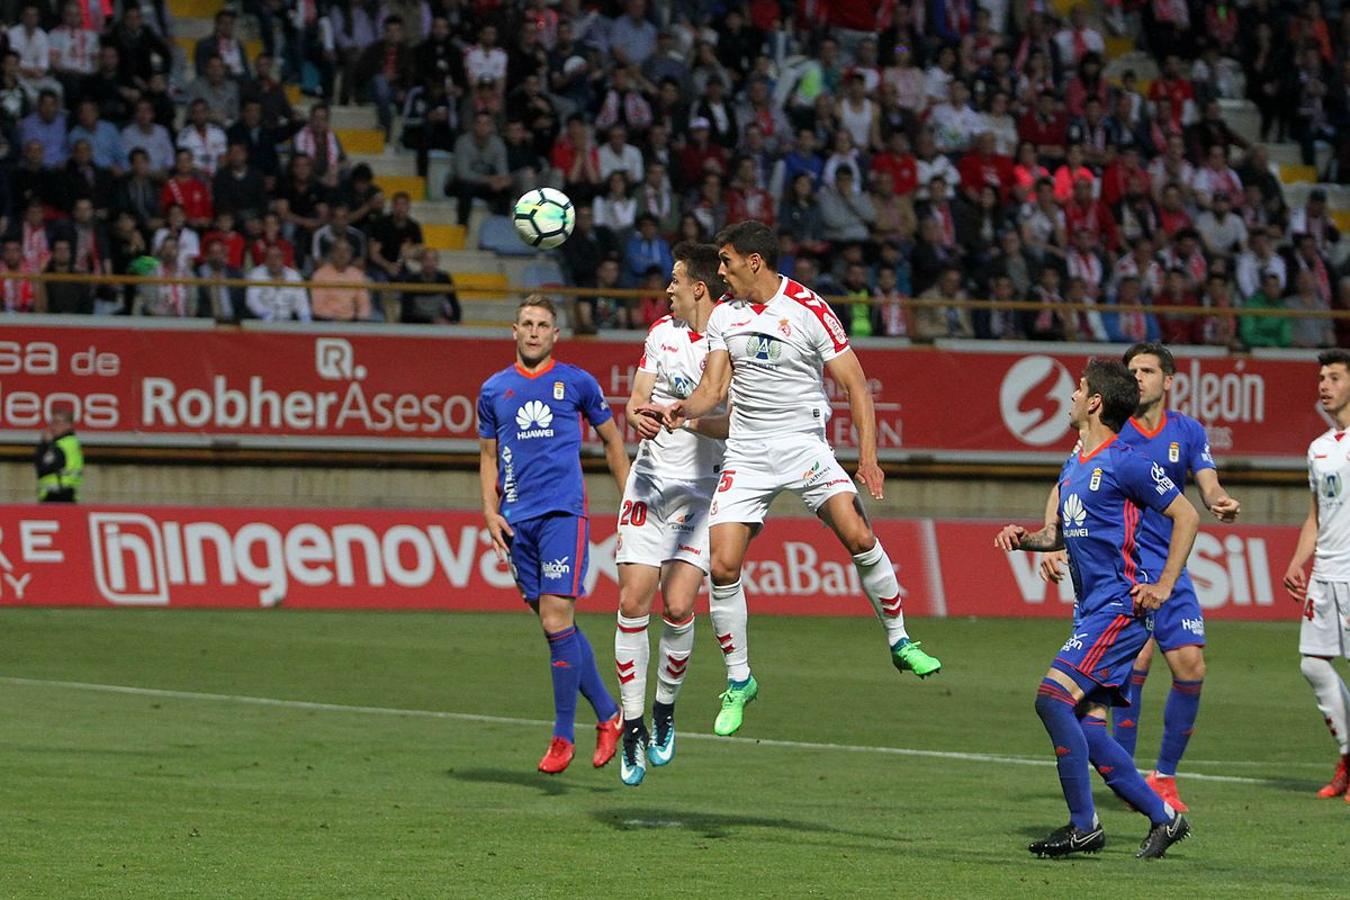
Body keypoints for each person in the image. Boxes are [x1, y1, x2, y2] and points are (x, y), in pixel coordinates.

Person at [662, 221, 941, 737]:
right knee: (722, 567)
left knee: (858, 534)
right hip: (745, 451)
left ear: (754, 262)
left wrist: (869, 458)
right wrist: (680, 410)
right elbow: (713, 389)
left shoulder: (810, 309)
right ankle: (739, 680)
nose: (719, 272)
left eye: (726, 261)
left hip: (804, 445)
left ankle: (901, 641)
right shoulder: (725, 315)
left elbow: (857, 386)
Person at [995, 359, 1197, 859]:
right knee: (1085, 723)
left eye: (1077, 389)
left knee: (1050, 698)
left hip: (1119, 610)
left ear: (1094, 403)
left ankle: (1084, 825)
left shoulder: (1127, 459)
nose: (1069, 397)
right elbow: (1061, 535)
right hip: (1090, 610)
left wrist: (1165, 584)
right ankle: (1165, 818)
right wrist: (1026, 540)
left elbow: (1186, 514)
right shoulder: (1077, 461)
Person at [1039, 342, 1240, 812]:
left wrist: (1219, 500)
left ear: (1168, 380)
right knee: (1131, 673)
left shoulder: (1185, 431)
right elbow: (1067, 482)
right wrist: (1051, 536)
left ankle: (1163, 780)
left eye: (1147, 370)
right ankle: (1129, 786)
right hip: (1125, 578)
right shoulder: (1109, 433)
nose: (1139, 378)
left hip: (1166, 570)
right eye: (1132, 371)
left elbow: (1205, 487)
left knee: (1190, 665)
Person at [476, 296, 630, 775]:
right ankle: (608, 715)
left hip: (564, 514)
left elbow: (612, 440)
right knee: (555, 627)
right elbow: (486, 454)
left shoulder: (577, 383)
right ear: (514, 331)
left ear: (555, 334)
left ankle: (563, 736)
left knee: (555, 619)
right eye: (527, 324)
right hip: (516, 520)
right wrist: (488, 509)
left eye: (543, 325)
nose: (535, 332)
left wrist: (629, 502)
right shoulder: (493, 390)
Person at [613, 242, 729, 786]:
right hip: (651, 484)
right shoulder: (661, 333)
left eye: (676, 280)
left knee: (679, 605)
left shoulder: (733, 339)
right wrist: (641, 417)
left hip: (704, 493)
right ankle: (632, 723)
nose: (668, 289)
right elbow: (637, 397)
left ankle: (663, 708)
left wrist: (682, 420)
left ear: (698, 287)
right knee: (632, 599)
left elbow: (737, 425)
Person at [1282, 349, 1350, 804]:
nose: (1324, 385)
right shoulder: (1319, 448)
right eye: (1321, 378)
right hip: (1325, 571)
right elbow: (1316, 515)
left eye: (1334, 377)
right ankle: (1348, 754)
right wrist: (1296, 560)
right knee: (1312, 661)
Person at [36, 406, 83, 503]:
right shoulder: (66, 442)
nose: (53, 427)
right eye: (52, 423)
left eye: (57, 422)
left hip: (60, 495)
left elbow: (44, 466)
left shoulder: (64, 444)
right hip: (60, 494)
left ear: (68, 425)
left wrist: (47, 444)